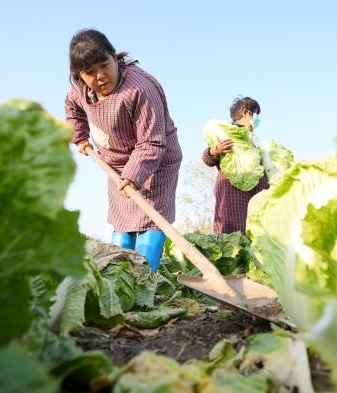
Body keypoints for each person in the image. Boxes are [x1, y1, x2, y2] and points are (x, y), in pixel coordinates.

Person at [64, 29, 182, 272]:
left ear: (114, 57)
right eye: (90, 72)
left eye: (104, 65)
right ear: (80, 75)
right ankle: (120, 278)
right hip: (116, 163)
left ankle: (143, 278)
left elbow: (152, 141)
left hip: (155, 160)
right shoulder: (79, 89)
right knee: (123, 220)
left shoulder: (140, 89)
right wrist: (79, 137)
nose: (100, 77)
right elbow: (72, 109)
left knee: (150, 220)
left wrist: (133, 176)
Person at [202, 96, 269, 234]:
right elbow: (207, 158)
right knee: (230, 232)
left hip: (253, 197)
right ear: (246, 113)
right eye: (255, 114)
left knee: (252, 234)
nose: (256, 120)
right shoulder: (225, 132)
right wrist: (215, 150)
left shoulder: (250, 143)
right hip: (232, 194)